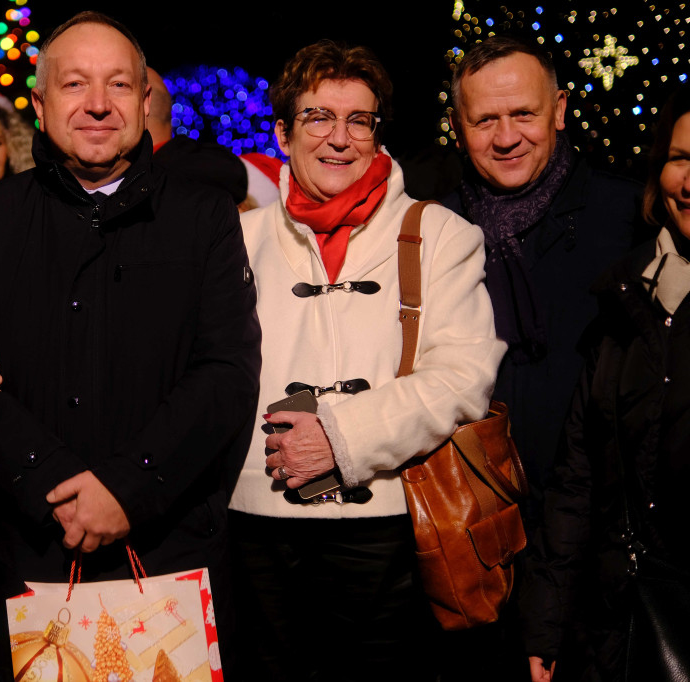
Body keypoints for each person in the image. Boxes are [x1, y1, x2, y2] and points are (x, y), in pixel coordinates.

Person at [0, 11, 261, 681]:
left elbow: (226, 373)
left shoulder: (205, 216)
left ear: (144, 100)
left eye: (118, 85)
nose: (98, 104)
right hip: (22, 554)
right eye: (75, 84)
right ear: (41, 103)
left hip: (166, 554)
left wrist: (128, 487)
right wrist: (53, 481)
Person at [227, 39, 505, 680]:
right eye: (318, 117)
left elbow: (465, 376)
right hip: (258, 528)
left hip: (385, 529)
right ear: (283, 132)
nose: (339, 138)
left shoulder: (440, 235)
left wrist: (342, 435)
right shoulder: (235, 241)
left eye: (359, 120)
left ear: (377, 133)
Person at [520, 85, 690, 682]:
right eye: (681, 158)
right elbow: (578, 477)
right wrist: (546, 623)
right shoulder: (626, 296)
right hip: (619, 627)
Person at [445, 36, 645, 511]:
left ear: (559, 110)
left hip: (601, 515)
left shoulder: (631, 218)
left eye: (524, 114)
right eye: (485, 120)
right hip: (476, 516)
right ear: (457, 127)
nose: (507, 136)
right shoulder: (435, 231)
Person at [145, 66, 250, 206]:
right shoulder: (220, 167)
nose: (105, 106)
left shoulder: (149, 183)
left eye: (120, 86)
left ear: (144, 105)